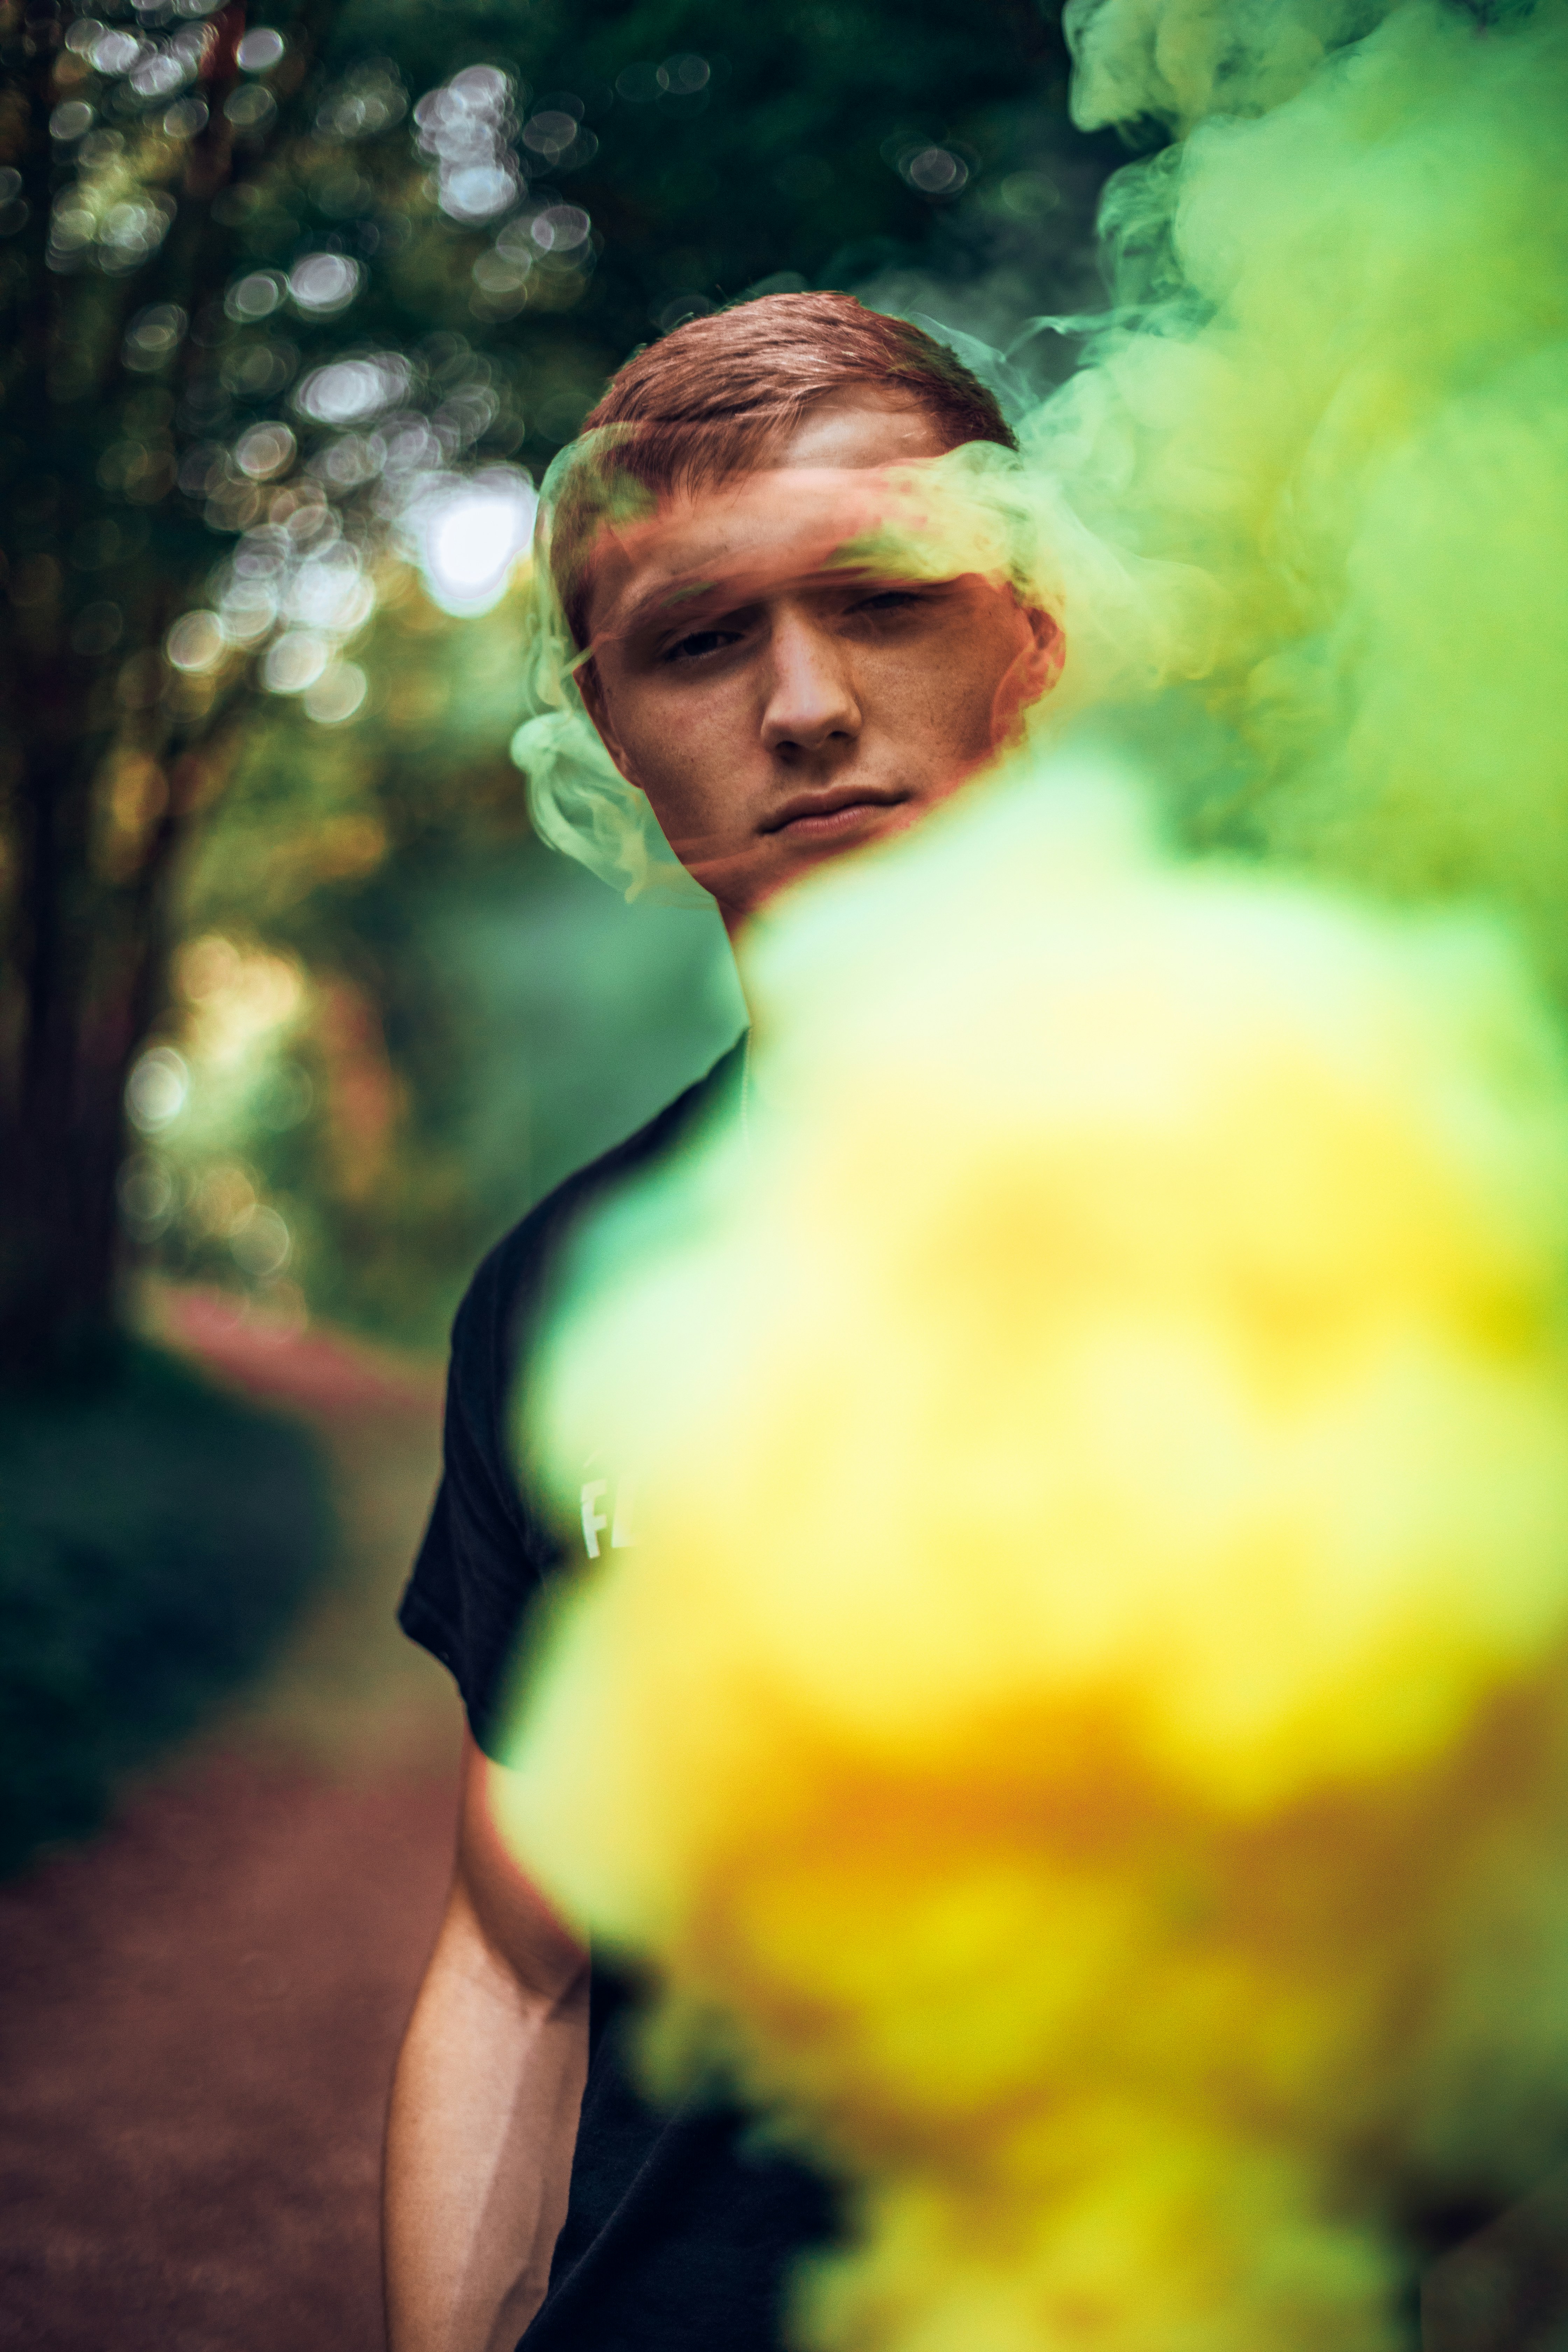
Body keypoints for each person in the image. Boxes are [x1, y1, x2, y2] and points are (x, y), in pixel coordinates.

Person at [384, 290, 1063, 2352]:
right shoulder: (564, 1293)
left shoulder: (1352, 1176)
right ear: (611, 724)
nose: (801, 707)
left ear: (1032, 631)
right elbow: (522, 1964)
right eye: (697, 638)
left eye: (883, 599)